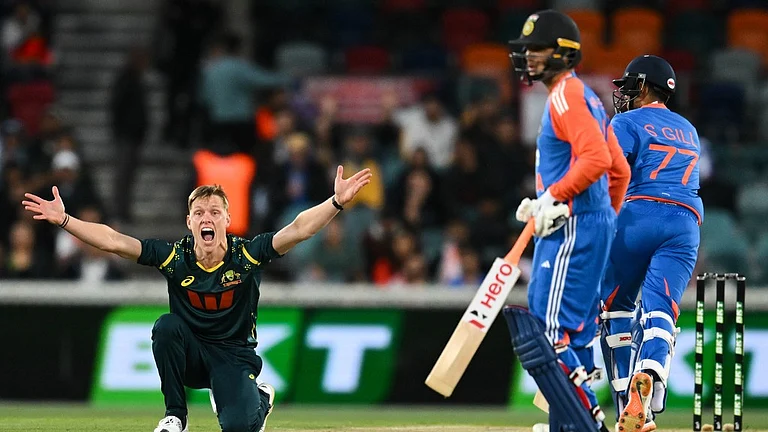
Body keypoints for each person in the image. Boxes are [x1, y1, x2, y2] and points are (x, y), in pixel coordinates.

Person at [21, 166, 372, 432]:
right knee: (166, 326)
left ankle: (260, 399)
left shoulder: (247, 254)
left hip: (233, 356)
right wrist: (65, 220)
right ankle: (175, 417)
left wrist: (335, 202)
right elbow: (114, 241)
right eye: (200, 213)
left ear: (227, 220)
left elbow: (298, 229)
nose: (208, 218)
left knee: (239, 427)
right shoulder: (175, 257)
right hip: (190, 352)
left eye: (215, 212)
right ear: (189, 222)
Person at [506, 9, 630, 431]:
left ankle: (587, 425)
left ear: (562, 53)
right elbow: (619, 170)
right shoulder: (587, 96)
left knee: (548, 334)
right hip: (587, 224)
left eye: (537, 49)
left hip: (571, 227)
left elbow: (596, 159)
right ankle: (567, 426)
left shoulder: (565, 96)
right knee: (573, 335)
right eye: (526, 49)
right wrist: (603, 220)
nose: (528, 56)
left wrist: (555, 199)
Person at [599, 55, 702, 432]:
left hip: (638, 216)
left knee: (614, 307)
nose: (625, 95)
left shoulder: (625, 122)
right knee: (662, 310)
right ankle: (651, 372)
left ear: (642, 86)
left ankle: (625, 402)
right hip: (685, 223)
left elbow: (610, 170)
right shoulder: (689, 129)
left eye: (629, 86)